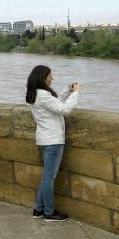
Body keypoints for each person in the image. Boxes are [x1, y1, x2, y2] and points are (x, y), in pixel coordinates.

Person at [26, 65, 80, 222]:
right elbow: (64, 109)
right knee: (49, 178)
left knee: (46, 177)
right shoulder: (43, 94)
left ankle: (38, 209)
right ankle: (49, 212)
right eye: (50, 76)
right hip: (53, 141)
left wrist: (67, 90)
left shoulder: (35, 93)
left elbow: (55, 104)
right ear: (43, 77)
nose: (52, 78)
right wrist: (76, 93)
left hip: (44, 139)